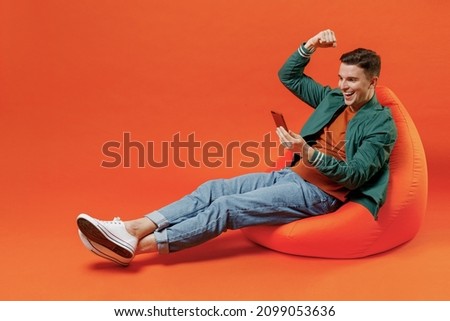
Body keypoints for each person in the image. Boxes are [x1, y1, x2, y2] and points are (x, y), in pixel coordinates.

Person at [76, 29, 397, 266]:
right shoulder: (334, 98)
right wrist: (310, 45)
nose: (343, 86)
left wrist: (309, 152)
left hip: (321, 195)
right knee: (212, 188)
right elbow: (289, 76)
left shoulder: (380, 124)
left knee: (227, 207)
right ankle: (132, 229)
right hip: (292, 176)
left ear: (372, 82)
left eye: (352, 80)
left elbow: (355, 176)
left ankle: (138, 247)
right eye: (341, 78)